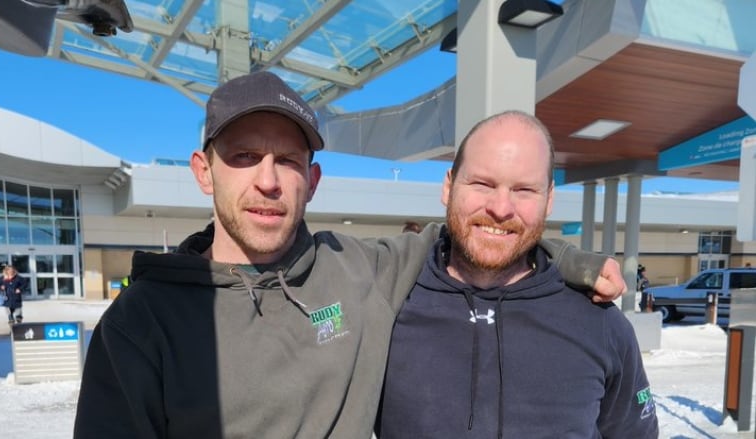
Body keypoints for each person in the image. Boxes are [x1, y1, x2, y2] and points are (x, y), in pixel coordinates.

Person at [73, 72, 626, 438]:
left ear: (312, 180)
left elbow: (484, 229)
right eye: (243, 156)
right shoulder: (140, 325)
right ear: (202, 170)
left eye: (288, 161)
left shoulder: (359, 270)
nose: (268, 181)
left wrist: (568, 260)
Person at [378, 111, 658, 438]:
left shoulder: (600, 323)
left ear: (549, 199)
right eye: (482, 183)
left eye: (524, 190)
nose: (501, 208)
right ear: (449, 186)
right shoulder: (387, 306)